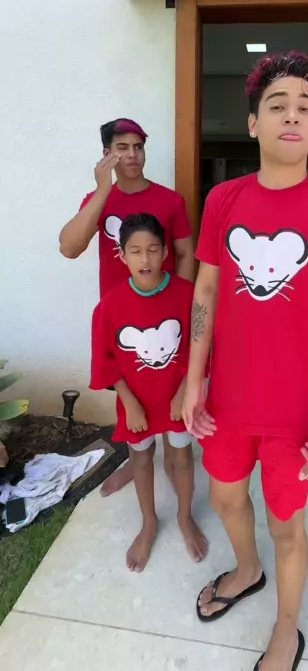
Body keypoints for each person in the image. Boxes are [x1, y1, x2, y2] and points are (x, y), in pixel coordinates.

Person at [182, 53, 308, 671]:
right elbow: (206, 291)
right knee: (226, 500)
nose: (292, 116)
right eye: (277, 105)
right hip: (226, 402)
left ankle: (287, 630)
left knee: (287, 525)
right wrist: (193, 380)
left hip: (296, 413)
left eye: (305, 107)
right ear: (253, 123)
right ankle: (247, 569)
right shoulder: (223, 200)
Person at [59, 118, 194, 495]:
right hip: (120, 318)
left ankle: (169, 457)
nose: (132, 155)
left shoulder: (169, 201)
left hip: (165, 315)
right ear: (107, 154)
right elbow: (69, 247)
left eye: (138, 146)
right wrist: (103, 190)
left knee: (166, 387)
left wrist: (182, 302)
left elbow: (185, 253)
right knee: (131, 394)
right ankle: (138, 461)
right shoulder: (99, 200)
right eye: (122, 148)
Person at [90, 212, 207, 571]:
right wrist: (129, 403)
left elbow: (200, 346)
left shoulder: (188, 296)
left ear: (165, 253)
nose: (145, 259)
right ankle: (149, 521)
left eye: (154, 249)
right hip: (136, 403)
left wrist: (183, 392)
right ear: (122, 256)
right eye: (136, 251)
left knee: (182, 457)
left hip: (177, 399)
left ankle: (185, 516)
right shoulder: (109, 307)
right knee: (141, 458)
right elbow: (106, 361)